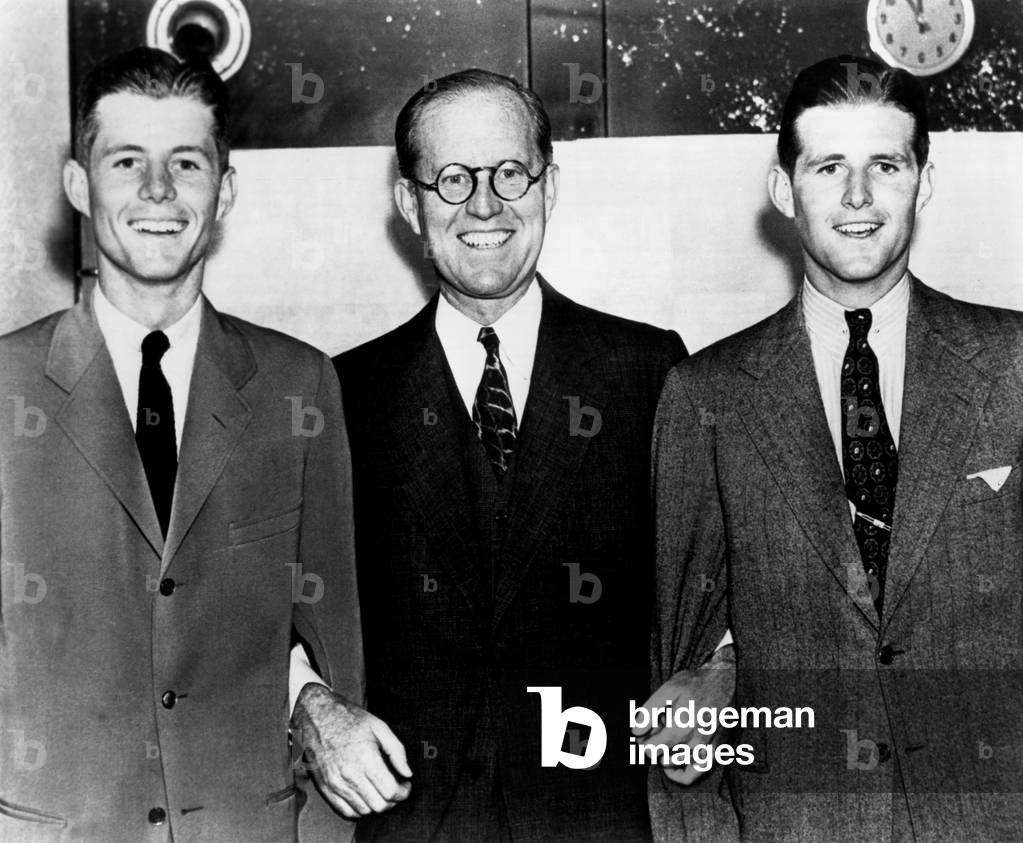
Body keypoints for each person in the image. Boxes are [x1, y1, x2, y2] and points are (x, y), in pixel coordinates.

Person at [0, 47, 408, 842]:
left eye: (186, 163)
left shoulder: (299, 386)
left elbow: (334, 655)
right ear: (79, 185)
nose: (158, 191)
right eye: (127, 161)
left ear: (223, 192)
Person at [647, 55, 1023, 842]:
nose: (857, 197)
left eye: (884, 164)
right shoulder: (705, 394)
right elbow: (681, 674)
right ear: (784, 188)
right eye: (828, 167)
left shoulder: (1013, 364)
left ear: (921, 180)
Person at [334, 68, 687, 840]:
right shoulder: (343, 391)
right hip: (413, 815)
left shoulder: (649, 371)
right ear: (408, 201)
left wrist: (714, 672)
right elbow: (279, 597)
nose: (484, 205)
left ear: (548, 186)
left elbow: (711, 576)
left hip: (597, 814)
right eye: (453, 178)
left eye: (509, 173)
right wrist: (309, 703)